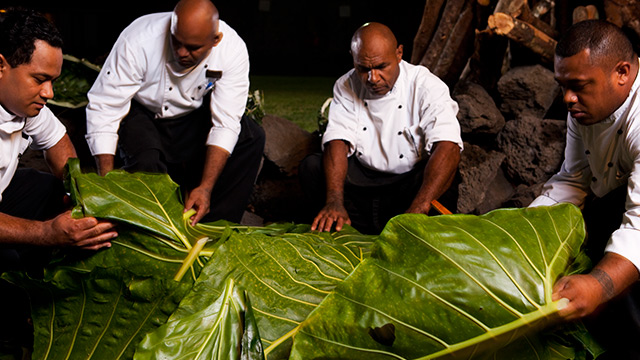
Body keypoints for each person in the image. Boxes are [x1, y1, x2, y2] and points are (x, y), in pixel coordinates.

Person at [0, 8, 118, 352]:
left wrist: (80, 195)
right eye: (40, 79)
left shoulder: (20, 101)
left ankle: (48, 278)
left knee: (50, 188)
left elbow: (57, 143)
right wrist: (46, 232)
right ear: (1, 65)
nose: (50, 92)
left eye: (53, 80)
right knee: (10, 283)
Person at [85, 0, 265, 225]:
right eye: (176, 42)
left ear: (215, 40)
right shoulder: (139, 39)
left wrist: (206, 188)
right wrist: (107, 184)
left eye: (192, 48)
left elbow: (226, 123)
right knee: (147, 160)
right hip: (141, 112)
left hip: (193, 116)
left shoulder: (232, 49)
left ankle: (214, 229)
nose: (181, 53)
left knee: (252, 137)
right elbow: (106, 106)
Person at [528, 20, 640, 358]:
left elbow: (639, 226)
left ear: (622, 72)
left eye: (577, 86)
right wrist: (519, 227)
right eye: (562, 85)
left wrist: (597, 285)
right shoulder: (586, 108)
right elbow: (573, 179)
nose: (567, 98)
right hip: (617, 200)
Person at [299, 22, 463, 234]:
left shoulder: (426, 85)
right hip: (362, 186)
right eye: (363, 69)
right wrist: (334, 201)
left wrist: (419, 209)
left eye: (380, 67)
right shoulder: (346, 85)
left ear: (399, 54)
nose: (372, 78)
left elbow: (448, 146)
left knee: (447, 174)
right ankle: (342, 229)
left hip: (409, 187)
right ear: (353, 58)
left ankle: (414, 230)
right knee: (312, 167)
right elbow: (337, 140)